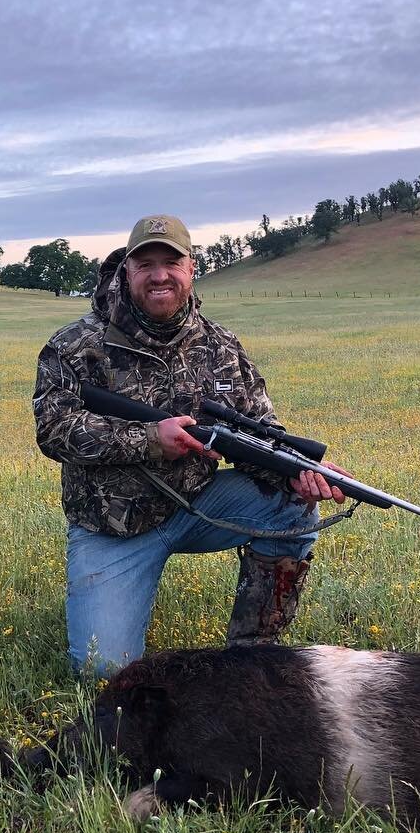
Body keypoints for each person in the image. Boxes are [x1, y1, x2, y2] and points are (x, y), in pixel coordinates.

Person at [33, 214, 348, 675]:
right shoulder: (75, 345)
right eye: (146, 264)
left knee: (293, 507)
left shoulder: (221, 345)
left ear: (191, 268)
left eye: (171, 262)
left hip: (196, 504)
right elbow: (53, 429)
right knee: (106, 671)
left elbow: (261, 431)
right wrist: (148, 440)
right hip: (113, 528)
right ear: (127, 271)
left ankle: (251, 654)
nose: (160, 275)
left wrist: (298, 470)